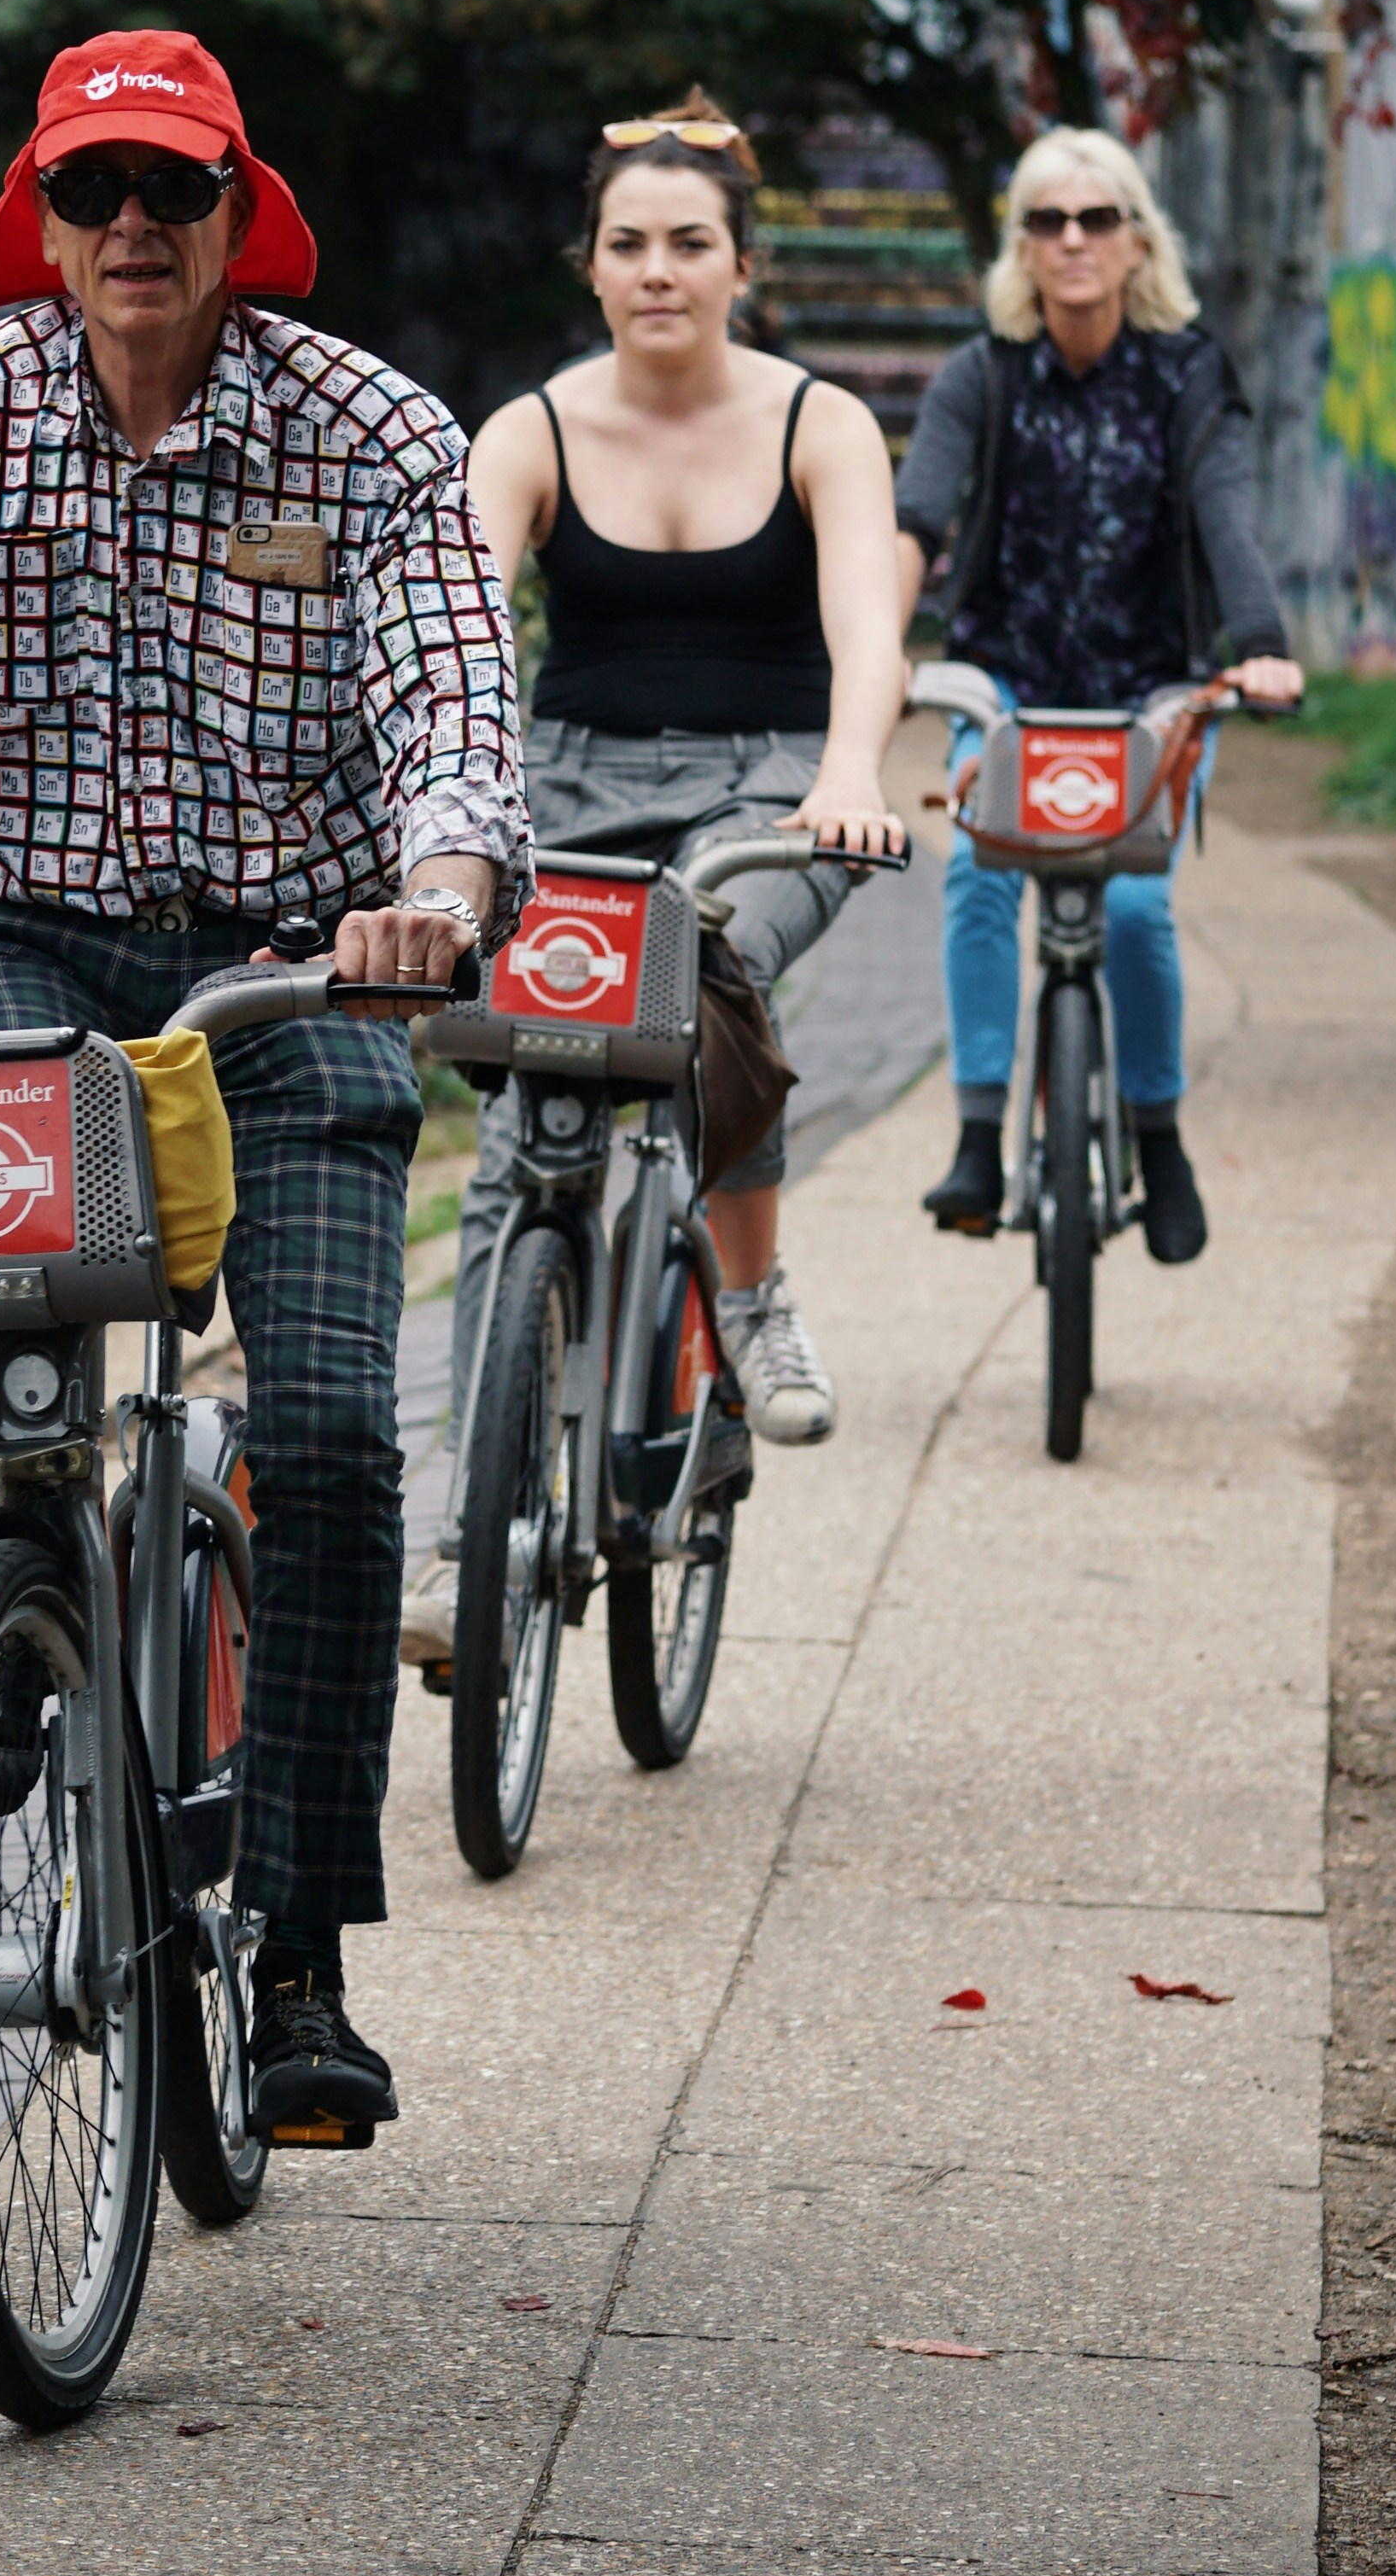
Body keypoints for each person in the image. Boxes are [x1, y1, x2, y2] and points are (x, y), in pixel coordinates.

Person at [0, 26, 526, 2143]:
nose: (130, 226)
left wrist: (432, 890)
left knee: (324, 1437)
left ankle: (305, 1958)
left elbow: (445, 701)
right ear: (37, 221)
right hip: (19, 948)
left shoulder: (371, 432)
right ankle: (23, 1608)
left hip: (304, 954)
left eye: (171, 189)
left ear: (242, 213)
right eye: (90, 193)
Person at [408, 98, 908, 1670]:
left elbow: (867, 635)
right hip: (564, 787)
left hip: (770, 785)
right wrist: (435, 817)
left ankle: (746, 1300)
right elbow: (462, 646)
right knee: (519, 1134)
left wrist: (846, 777)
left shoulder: (820, 421)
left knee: (703, 970)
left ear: (740, 263)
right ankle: (461, 1537)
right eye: (629, 243)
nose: (659, 270)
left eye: (690, 242)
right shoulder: (531, 432)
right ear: (594, 267)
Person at [892, 123, 1304, 1261]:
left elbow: (1227, 513)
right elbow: (917, 513)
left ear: (1135, 241)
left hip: (1152, 692)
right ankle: (980, 1135)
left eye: (1096, 218)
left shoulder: (1189, 372)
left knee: (1130, 905)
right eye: (1047, 220)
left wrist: (1259, 644)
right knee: (977, 869)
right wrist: (881, 647)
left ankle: (1158, 1140)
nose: (1072, 239)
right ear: (1022, 247)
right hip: (1012, 683)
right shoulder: (983, 372)